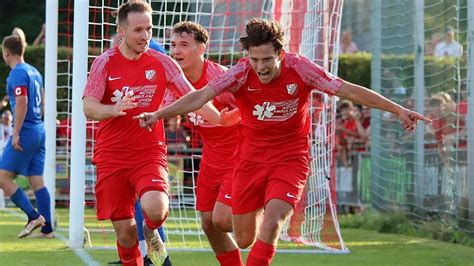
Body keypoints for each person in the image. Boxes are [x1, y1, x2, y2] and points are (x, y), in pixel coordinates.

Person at [135, 18, 431, 265]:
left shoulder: (301, 69)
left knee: (274, 221)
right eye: (255, 59)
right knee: (241, 236)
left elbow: (349, 91)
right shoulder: (239, 73)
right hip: (250, 160)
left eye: (267, 60)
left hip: (290, 158)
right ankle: (259, 210)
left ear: (281, 54)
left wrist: (399, 109)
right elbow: (199, 97)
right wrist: (159, 113)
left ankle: (272, 206)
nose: (261, 67)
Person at [82, 2, 237, 265]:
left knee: (156, 208)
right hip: (112, 155)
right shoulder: (104, 63)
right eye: (138, 30)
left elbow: (193, 96)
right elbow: (88, 107)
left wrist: (220, 118)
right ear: (122, 31)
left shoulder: (162, 62)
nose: (145, 36)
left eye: (149, 29)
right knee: (125, 235)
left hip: (149, 152)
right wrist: (113, 109)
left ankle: (151, 229)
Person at [168, 21, 242, 266]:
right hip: (211, 155)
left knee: (223, 220)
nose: (176, 51)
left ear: (201, 49)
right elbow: (159, 107)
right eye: (173, 44)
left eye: (184, 45)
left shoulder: (221, 77)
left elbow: (250, 107)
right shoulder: (175, 81)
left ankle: (259, 207)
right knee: (209, 223)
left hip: (239, 153)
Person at [0, 35, 54, 238]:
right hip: (38, 129)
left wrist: (16, 133)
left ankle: (33, 216)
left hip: (26, 130)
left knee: (2, 177)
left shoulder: (16, 74)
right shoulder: (34, 71)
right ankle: (47, 229)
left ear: (6, 52)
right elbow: (41, 99)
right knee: (37, 181)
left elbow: (21, 102)